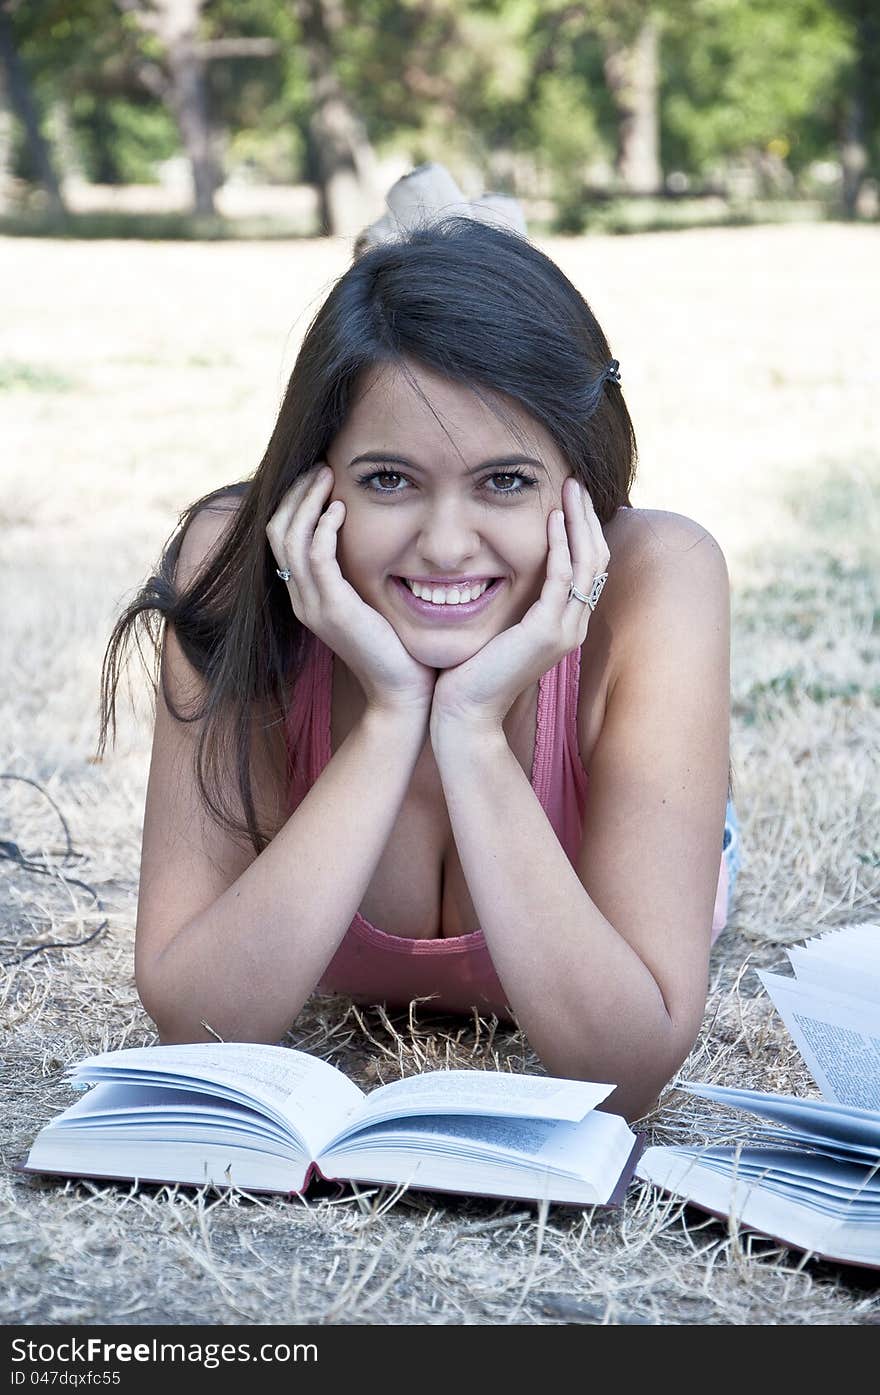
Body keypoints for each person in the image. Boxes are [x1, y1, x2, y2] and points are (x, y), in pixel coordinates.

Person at [99, 178, 738, 1123]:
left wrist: (475, 729)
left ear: (582, 484)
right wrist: (393, 711)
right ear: (314, 482)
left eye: (507, 481)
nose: (446, 544)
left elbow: (627, 1071)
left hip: (651, 787)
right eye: (389, 478)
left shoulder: (660, 580)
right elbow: (198, 1028)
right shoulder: (232, 576)